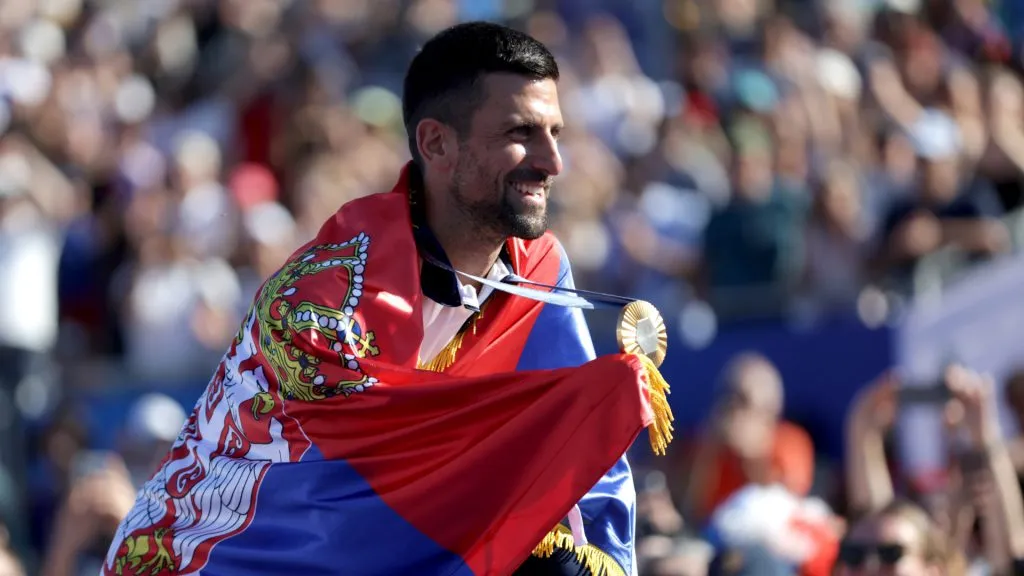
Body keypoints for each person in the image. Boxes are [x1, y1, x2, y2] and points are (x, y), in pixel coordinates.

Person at [102, 21, 672, 576]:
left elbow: (577, 453)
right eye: (520, 134)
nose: (552, 162)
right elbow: (354, 507)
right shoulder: (323, 297)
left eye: (555, 134)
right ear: (435, 142)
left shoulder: (541, 271)